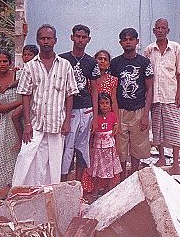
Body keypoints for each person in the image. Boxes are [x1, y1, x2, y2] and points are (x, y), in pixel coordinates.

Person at [12, 24, 78, 186]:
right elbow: (25, 95)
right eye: (43, 38)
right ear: (38, 40)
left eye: (49, 38)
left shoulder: (64, 65)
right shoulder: (30, 66)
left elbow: (70, 95)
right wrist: (27, 123)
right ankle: (20, 192)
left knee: (53, 163)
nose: (46, 41)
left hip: (57, 123)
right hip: (35, 124)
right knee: (26, 157)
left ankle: (48, 195)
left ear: (55, 40)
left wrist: (67, 121)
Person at [110, 27, 154, 181]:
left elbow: (150, 89)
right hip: (120, 111)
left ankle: (134, 176)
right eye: (125, 39)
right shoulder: (115, 63)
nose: (128, 42)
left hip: (139, 110)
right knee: (120, 148)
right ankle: (122, 179)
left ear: (137, 41)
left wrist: (145, 115)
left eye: (131, 39)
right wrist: (113, 115)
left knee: (138, 147)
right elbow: (112, 89)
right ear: (120, 42)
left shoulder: (144, 62)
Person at [144, 18, 180, 175]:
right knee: (157, 130)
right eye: (157, 28)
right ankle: (161, 157)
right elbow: (146, 75)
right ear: (154, 31)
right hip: (154, 97)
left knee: (174, 129)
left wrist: (179, 93)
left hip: (170, 96)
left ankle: (176, 163)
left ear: (168, 31)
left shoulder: (175, 48)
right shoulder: (149, 50)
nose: (160, 30)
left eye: (163, 28)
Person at [60, 24, 101, 182]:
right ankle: (63, 182)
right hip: (67, 110)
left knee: (82, 148)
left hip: (86, 109)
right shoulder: (63, 59)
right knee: (66, 147)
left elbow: (95, 90)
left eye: (84, 37)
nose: (80, 40)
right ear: (72, 37)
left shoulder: (91, 62)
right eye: (78, 36)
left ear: (88, 40)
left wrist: (95, 118)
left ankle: (77, 183)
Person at [82, 50, 120, 196]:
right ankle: (92, 186)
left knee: (108, 153)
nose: (102, 61)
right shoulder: (89, 79)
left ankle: (108, 186)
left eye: (105, 59)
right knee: (92, 152)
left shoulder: (112, 80)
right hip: (92, 120)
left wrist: (116, 121)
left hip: (107, 123)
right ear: (94, 61)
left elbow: (114, 100)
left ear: (109, 63)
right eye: (99, 58)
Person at [0, 49, 22, 198]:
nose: (2, 64)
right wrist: (20, 102)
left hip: (23, 120)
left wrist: (23, 103)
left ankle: (20, 187)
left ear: (10, 63)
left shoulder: (19, 76)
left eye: (5, 61)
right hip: (7, 124)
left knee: (22, 154)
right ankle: (5, 191)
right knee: (7, 155)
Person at [88, 92, 122, 198]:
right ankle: (96, 189)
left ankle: (108, 188)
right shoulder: (95, 118)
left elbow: (115, 126)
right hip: (98, 148)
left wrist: (116, 127)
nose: (104, 105)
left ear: (110, 104)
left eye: (107, 103)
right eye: (102, 103)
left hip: (110, 148)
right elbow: (92, 133)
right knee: (97, 170)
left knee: (110, 169)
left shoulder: (112, 116)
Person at [11, 45, 39, 145]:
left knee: (15, 115)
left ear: (35, 56)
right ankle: (21, 137)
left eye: (29, 55)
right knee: (15, 116)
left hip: (33, 99)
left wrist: (9, 85)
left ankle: (22, 139)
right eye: (25, 55)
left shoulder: (35, 68)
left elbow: (18, 82)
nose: (26, 57)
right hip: (25, 99)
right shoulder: (22, 70)